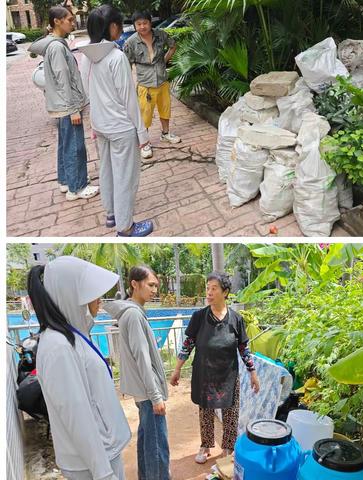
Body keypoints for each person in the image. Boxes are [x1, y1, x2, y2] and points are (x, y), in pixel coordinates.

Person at [26, 256, 131, 480]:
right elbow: (76, 416)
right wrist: (103, 473)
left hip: (101, 454)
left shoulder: (71, 337)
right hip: (93, 464)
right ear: (71, 295)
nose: (98, 299)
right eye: (91, 293)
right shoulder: (59, 347)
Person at [79, 5, 153, 237]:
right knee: (125, 177)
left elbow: (87, 93)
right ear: (112, 27)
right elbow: (129, 99)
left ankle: (111, 214)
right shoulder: (116, 57)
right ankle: (125, 226)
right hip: (121, 127)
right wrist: (142, 134)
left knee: (107, 170)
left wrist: (94, 123)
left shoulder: (86, 58)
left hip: (101, 126)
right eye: (120, 25)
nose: (121, 29)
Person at [170, 272, 260, 464]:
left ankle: (228, 447)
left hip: (229, 374)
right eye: (207, 288)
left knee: (231, 411)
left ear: (225, 292)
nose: (209, 293)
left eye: (214, 288)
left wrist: (253, 373)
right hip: (204, 374)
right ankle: (206, 445)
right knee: (206, 411)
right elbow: (188, 344)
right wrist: (177, 369)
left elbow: (244, 348)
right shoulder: (199, 317)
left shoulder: (236, 319)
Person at [103, 266, 170, 480]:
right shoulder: (133, 315)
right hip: (149, 394)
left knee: (147, 441)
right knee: (157, 448)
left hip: (144, 393)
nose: (154, 290)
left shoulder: (132, 313)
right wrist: (156, 396)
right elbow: (143, 358)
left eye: (156, 286)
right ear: (134, 284)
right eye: (150, 285)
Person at [28, 7, 99, 201]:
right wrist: (73, 109)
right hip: (67, 106)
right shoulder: (57, 47)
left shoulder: (54, 44)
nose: (73, 22)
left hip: (61, 105)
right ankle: (77, 187)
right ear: (57, 21)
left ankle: (66, 181)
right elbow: (63, 79)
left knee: (65, 144)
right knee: (75, 146)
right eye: (69, 19)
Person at [124, 10, 181, 160]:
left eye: (145, 23)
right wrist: (128, 84)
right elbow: (127, 64)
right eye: (139, 24)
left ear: (150, 22)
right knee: (145, 115)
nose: (142, 26)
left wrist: (165, 60)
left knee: (165, 109)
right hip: (145, 84)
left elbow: (173, 46)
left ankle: (165, 133)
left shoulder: (160, 34)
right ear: (135, 25)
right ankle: (144, 142)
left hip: (162, 79)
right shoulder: (131, 42)